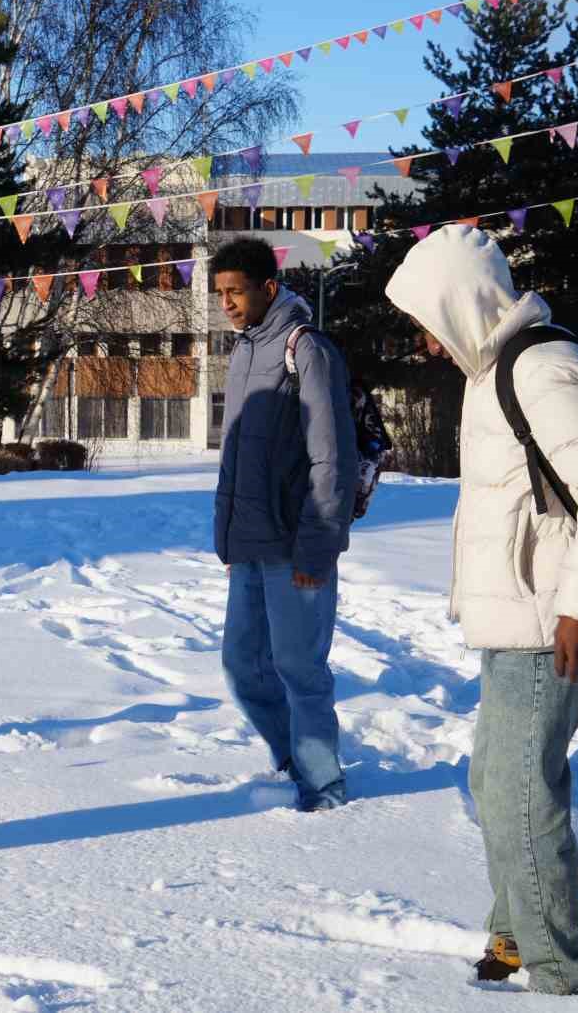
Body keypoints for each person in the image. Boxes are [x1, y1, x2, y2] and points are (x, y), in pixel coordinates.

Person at [385, 226, 578, 994]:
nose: (426, 341)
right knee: (497, 783)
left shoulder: (540, 368)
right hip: (522, 620)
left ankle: (558, 967)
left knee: (518, 792)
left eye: (428, 321)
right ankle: (515, 930)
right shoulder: (494, 371)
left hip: (553, 626)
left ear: (460, 304)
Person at [211, 236, 357, 812]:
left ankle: (324, 789)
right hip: (249, 543)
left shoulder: (307, 349)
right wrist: (227, 537)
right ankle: (297, 760)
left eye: (236, 291)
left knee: (300, 669)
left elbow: (332, 456)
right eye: (220, 293)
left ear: (268, 288)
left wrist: (317, 547)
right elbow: (234, 455)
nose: (226, 303)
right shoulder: (244, 352)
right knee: (242, 666)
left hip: (297, 545)